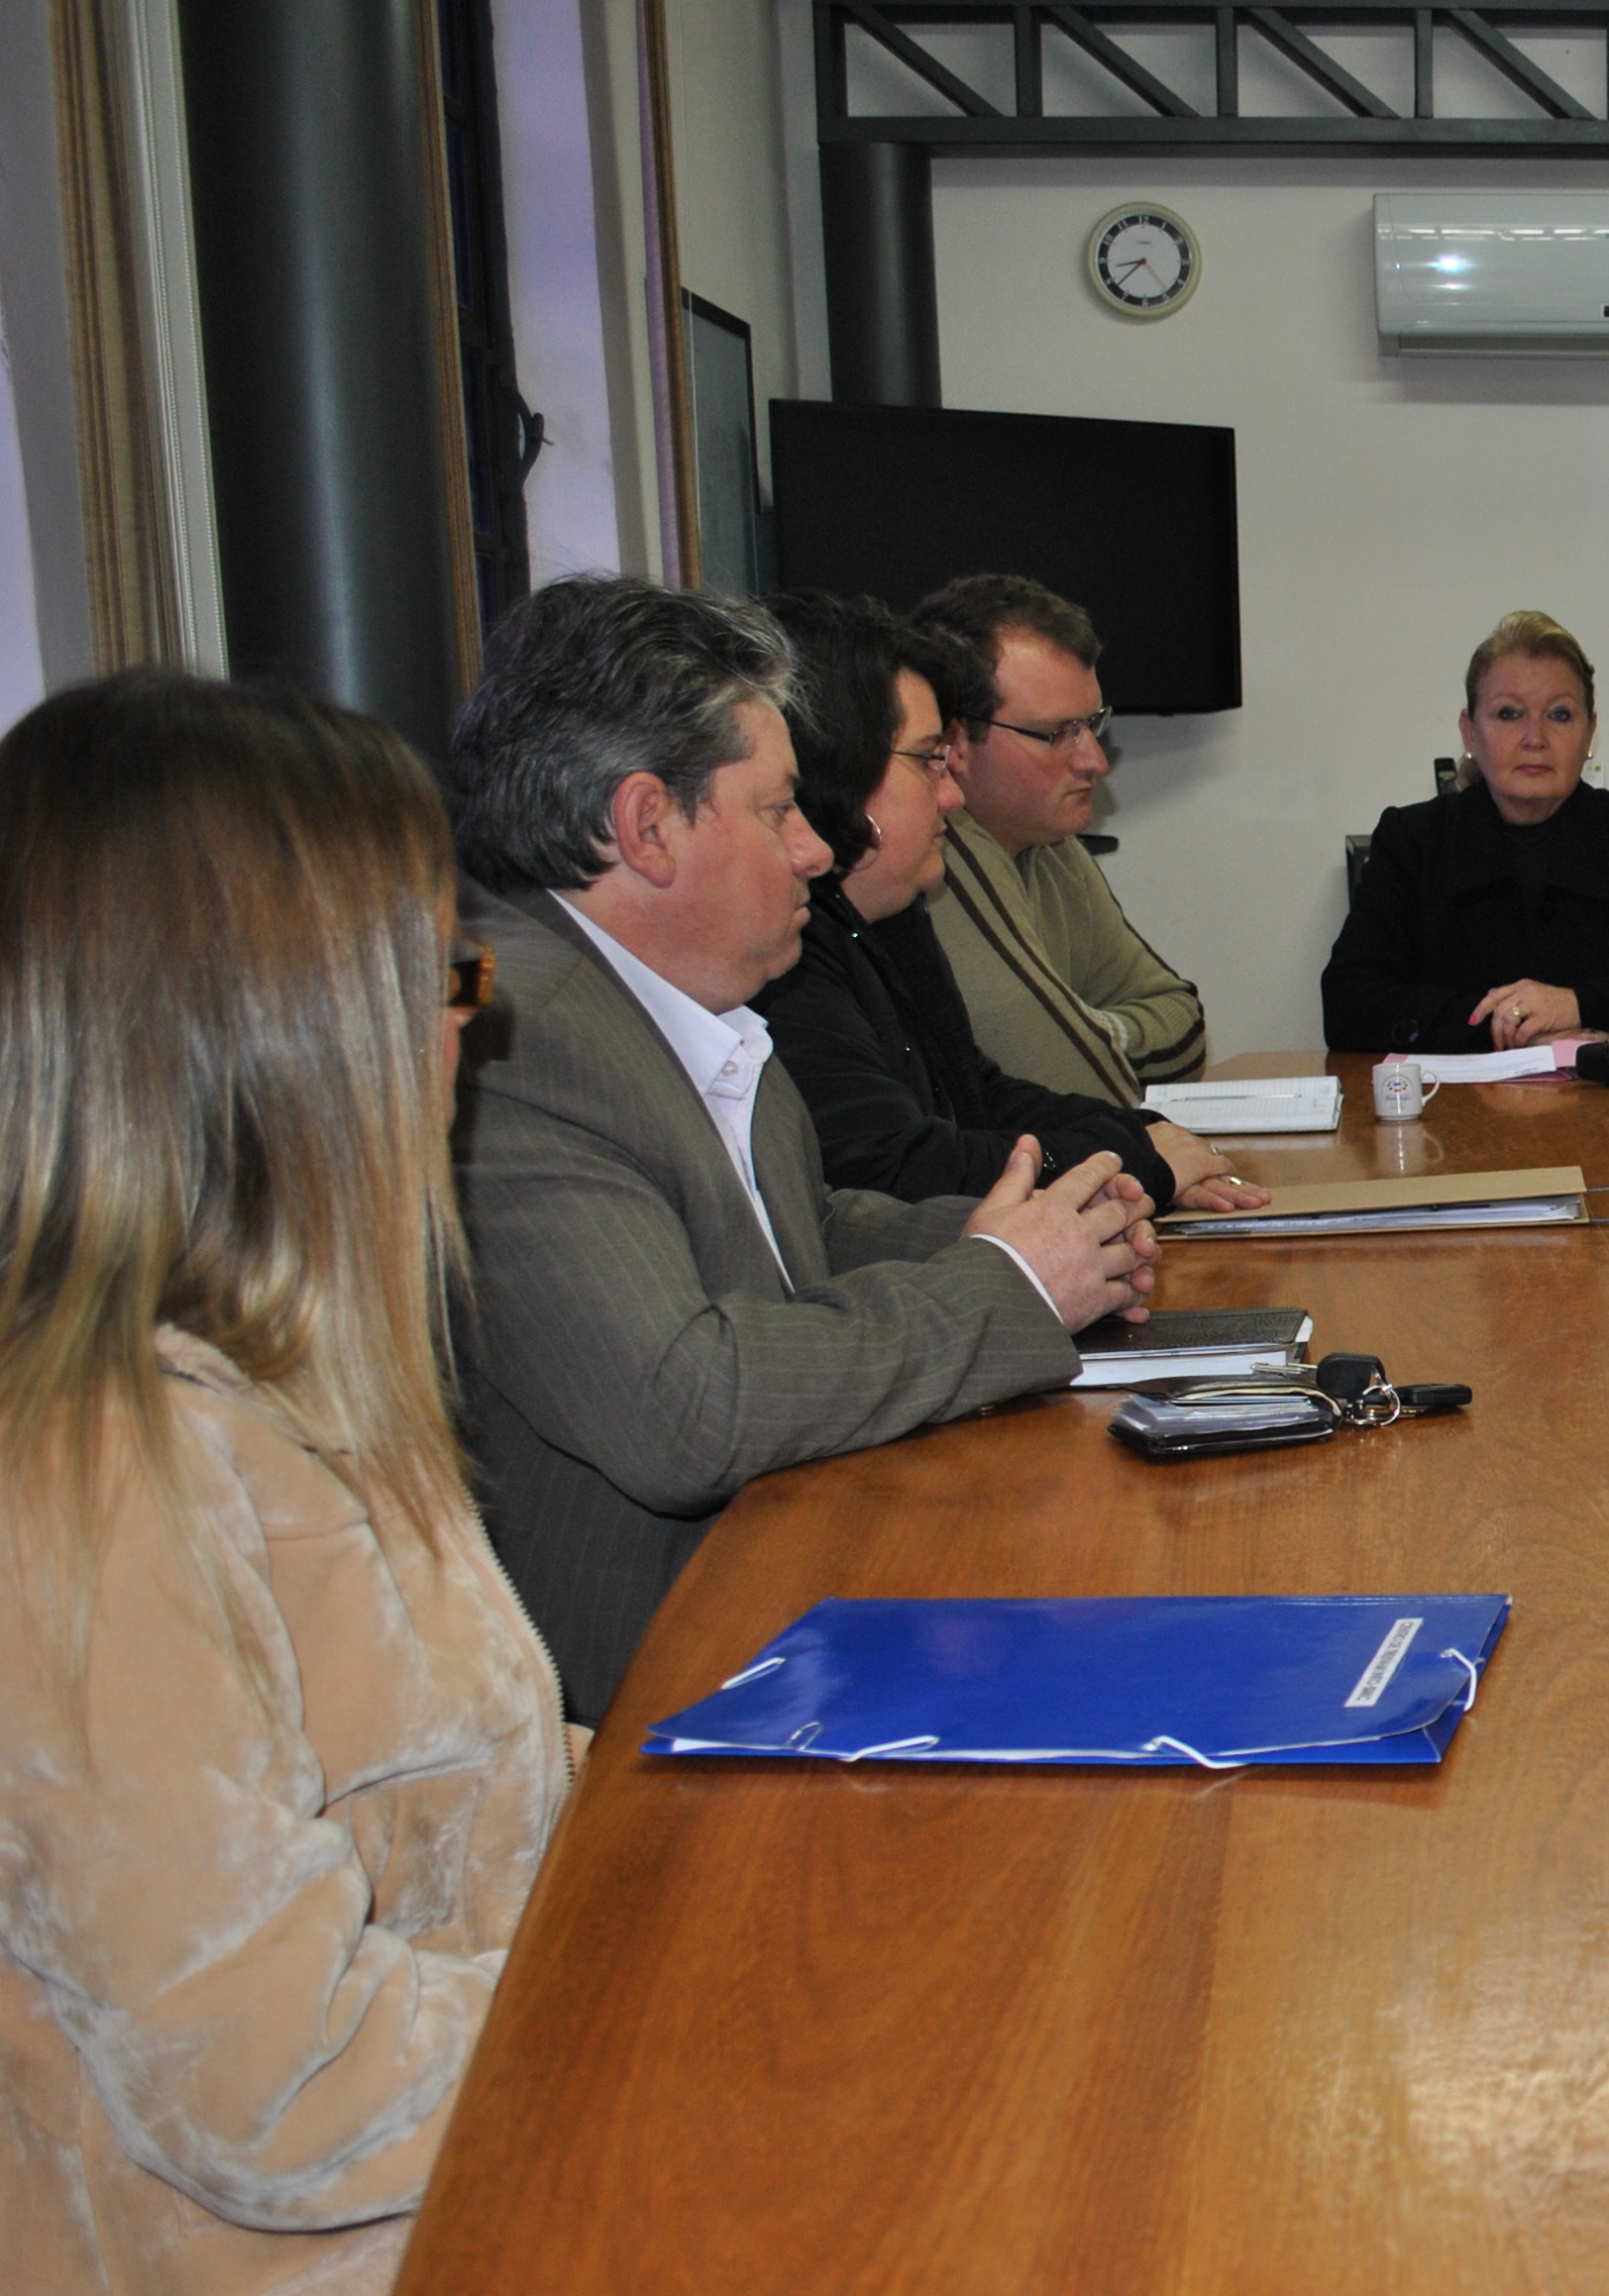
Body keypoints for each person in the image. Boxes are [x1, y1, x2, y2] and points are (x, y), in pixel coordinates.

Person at [0, 674, 570, 2296]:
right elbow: (277, 2077)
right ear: (272, 1032)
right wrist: (655, 1999)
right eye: (436, 976)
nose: (459, 1033)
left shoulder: (285, 1379)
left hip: (428, 2273)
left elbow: (464, 1785)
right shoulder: (83, 1467)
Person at [448, 577, 1154, 1722]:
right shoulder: (516, 1039)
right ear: (644, 825)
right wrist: (1010, 1284)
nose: (818, 851)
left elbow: (799, 1229)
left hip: (792, 1596)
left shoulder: (676, 997)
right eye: (776, 811)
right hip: (654, 1695)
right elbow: (685, 1408)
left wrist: (1039, 1236)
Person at [751, 590, 1268, 1214]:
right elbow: (895, 1166)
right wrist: (1136, 1161)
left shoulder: (892, 912)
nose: (950, 793)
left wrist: (1151, 1134)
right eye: (928, 761)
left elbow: (978, 1093)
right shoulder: (785, 950)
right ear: (839, 769)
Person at [1319, 609, 1609, 1051]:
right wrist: (1509, 1027)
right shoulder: (1413, 839)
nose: (1535, 737)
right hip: (1458, 1115)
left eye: (1559, 714)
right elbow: (1348, 1004)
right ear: (1469, 733)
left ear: (1590, 732)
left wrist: (1578, 1006)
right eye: (1509, 714)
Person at [913, 573, 1211, 1106]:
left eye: (1091, 724)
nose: (1094, 761)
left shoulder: (1051, 846)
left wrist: (1092, 1031)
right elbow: (1059, 1077)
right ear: (953, 741)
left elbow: (1183, 1029)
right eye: (1055, 734)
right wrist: (1081, 1034)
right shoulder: (935, 856)